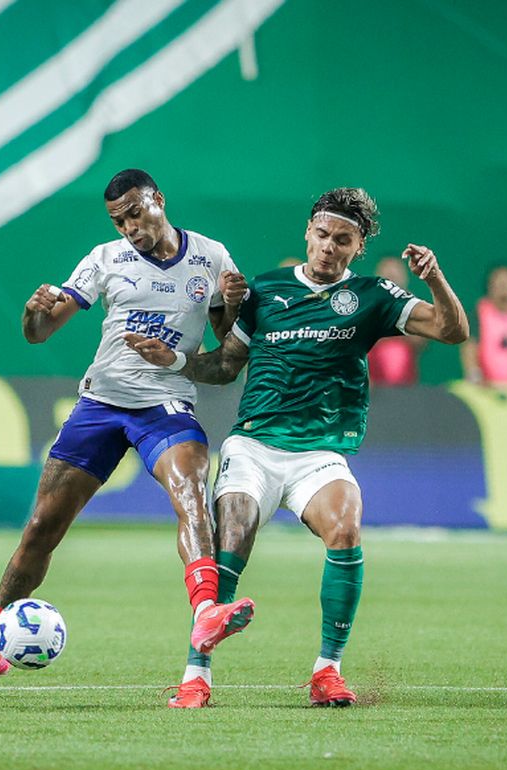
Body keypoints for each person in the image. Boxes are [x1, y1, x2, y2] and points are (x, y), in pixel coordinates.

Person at [126, 187, 469, 708]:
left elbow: (453, 330)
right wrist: (173, 361)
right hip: (254, 445)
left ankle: (327, 672)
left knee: (346, 526)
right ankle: (196, 677)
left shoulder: (374, 295)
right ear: (308, 232)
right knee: (233, 533)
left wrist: (434, 278)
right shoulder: (265, 290)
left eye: (343, 241)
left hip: (318, 454)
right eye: (323, 235)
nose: (329, 247)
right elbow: (225, 366)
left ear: (358, 247)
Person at [0, 169, 254, 700]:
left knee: (192, 491)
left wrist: (235, 305)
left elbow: (227, 353)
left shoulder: (211, 257)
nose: (129, 228)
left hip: (166, 404)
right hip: (101, 404)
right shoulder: (105, 258)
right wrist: (32, 313)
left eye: (135, 213)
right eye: (118, 221)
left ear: (158, 199)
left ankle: (205, 612)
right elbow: (40, 333)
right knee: (41, 529)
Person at [367, 255, 428, 386]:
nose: (391, 279)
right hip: (370, 382)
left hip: (404, 384)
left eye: (395, 275)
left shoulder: (414, 307)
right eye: (387, 275)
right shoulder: (365, 305)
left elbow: (420, 340)